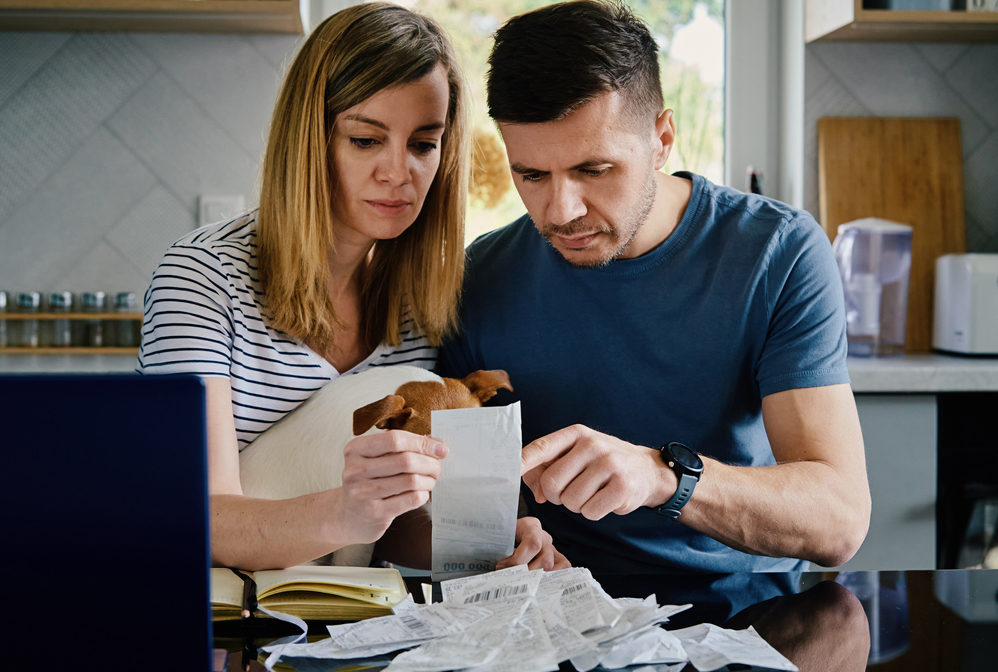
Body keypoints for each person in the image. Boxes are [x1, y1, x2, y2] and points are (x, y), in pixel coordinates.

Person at [438, 0, 871, 574]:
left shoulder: (778, 252)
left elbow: (839, 523)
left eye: (594, 170)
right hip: (555, 623)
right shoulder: (480, 277)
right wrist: (504, 536)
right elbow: (466, 505)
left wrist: (664, 477)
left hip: (746, 623)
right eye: (532, 175)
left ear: (662, 139)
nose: (561, 210)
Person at [138, 2, 566, 572]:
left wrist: (483, 544)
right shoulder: (202, 278)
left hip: (348, 627)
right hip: (218, 626)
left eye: (422, 144)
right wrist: (344, 512)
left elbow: (386, 532)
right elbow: (193, 516)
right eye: (366, 140)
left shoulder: (419, 306)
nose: (399, 171)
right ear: (310, 140)